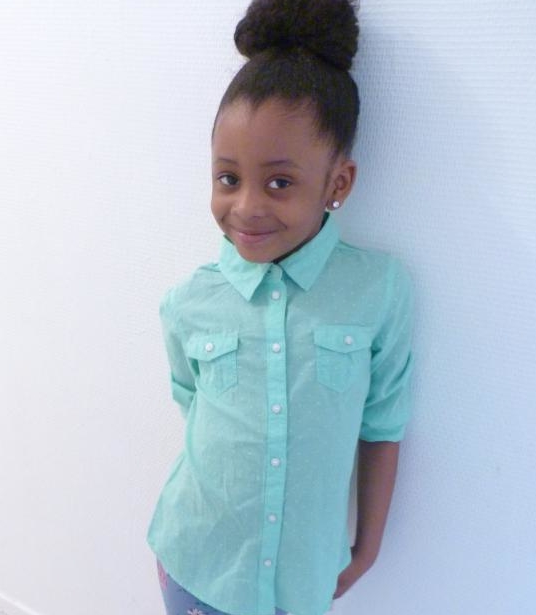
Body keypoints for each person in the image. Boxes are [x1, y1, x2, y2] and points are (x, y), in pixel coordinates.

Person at [146, 1, 416, 614]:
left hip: (302, 581)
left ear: (337, 183)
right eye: (227, 178)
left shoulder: (378, 290)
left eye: (279, 182)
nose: (246, 207)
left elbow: (383, 424)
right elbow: (192, 405)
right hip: (197, 567)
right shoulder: (188, 302)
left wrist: (368, 546)